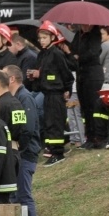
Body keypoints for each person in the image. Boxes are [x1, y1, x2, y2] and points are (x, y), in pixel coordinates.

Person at [1, 65, 41, 216]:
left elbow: (28, 128)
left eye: (3, 76)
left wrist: (19, 149)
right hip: (18, 153)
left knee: (24, 194)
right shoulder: (14, 98)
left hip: (26, 153)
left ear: (11, 79)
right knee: (15, 195)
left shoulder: (25, 98)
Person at [27, 21, 74, 167]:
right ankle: (52, 150)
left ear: (53, 38)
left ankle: (58, 153)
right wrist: (34, 76)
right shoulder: (43, 54)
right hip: (46, 93)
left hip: (56, 94)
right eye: (40, 38)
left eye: (45, 37)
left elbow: (66, 74)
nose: (41, 40)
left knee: (55, 124)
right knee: (49, 123)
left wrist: (67, 90)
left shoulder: (57, 54)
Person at [70, 24, 105, 149]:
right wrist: (74, 56)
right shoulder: (78, 34)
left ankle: (97, 137)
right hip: (81, 75)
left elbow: (93, 53)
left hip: (93, 75)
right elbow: (72, 50)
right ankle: (89, 136)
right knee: (84, 107)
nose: (83, 26)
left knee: (93, 106)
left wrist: (78, 57)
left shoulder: (96, 34)